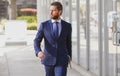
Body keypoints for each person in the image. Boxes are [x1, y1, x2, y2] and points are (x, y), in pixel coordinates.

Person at [34, 1, 72, 76]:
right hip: (48, 59)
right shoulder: (44, 25)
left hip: (62, 61)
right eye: (50, 10)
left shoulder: (67, 26)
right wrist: (38, 51)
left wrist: (69, 56)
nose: (50, 12)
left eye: (53, 10)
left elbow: (68, 42)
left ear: (60, 11)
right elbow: (36, 40)